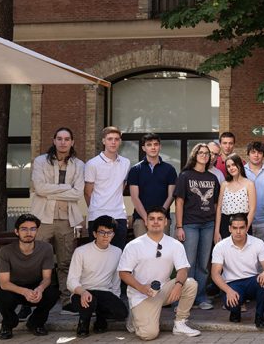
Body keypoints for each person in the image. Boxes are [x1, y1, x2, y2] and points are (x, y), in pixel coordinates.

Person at [118, 206, 201, 340]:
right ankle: (135, 316)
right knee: (148, 335)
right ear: (146, 222)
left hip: (164, 290)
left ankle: (180, 323)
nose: (156, 222)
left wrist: (178, 285)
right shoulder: (134, 245)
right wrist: (142, 288)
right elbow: (123, 273)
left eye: (160, 219)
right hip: (141, 295)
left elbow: (183, 269)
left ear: (165, 222)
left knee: (190, 283)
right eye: (152, 219)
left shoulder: (175, 244)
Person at [29, 126, 85, 313]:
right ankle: (31, 300)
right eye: (59, 138)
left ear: (72, 142)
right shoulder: (40, 161)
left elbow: (77, 193)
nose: (63, 142)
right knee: (35, 260)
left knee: (65, 262)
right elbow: (39, 188)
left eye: (67, 139)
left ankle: (67, 300)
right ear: (54, 141)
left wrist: (50, 191)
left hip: (66, 219)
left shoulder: (79, 165)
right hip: (42, 218)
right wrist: (66, 188)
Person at [0, 214, 60, 340]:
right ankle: (8, 324)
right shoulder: (5, 251)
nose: (28, 233)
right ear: (16, 231)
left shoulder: (46, 248)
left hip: (36, 286)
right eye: (24, 229)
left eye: (33, 229)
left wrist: (40, 289)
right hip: (14, 288)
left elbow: (47, 278)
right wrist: (24, 291)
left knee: (52, 293)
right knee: (2, 296)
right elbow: (4, 283)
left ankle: (36, 322)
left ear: (37, 231)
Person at [174, 143, 220, 310]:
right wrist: (179, 226)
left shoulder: (212, 178)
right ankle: (183, 299)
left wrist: (216, 228)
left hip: (208, 224)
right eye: (201, 152)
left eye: (207, 153)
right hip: (190, 224)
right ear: (194, 155)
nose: (204, 155)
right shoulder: (185, 176)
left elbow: (216, 205)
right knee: (189, 263)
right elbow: (179, 202)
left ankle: (200, 297)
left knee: (203, 264)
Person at [67, 215, 129, 337]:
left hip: (104, 292)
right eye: (102, 232)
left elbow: (116, 279)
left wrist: (115, 298)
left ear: (113, 234)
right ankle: (83, 323)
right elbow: (71, 281)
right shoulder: (81, 251)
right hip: (83, 292)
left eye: (109, 232)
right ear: (95, 234)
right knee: (89, 302)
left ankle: (101, 318)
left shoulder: (117, 252)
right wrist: (82, 292)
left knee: (121, 313)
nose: (106, 236)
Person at [210, 213, 264, 328]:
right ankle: (235, 312)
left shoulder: (258, 243)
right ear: (230, 228)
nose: (238, 231)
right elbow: (215, 274)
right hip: (232, 283)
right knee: (232, 304)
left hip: (251, 281)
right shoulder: (220, 246)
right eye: (235, 228)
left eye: (241, 228)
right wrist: (228, 291)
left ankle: (259, 316)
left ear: (247, 228)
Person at [84, 126, 130, 253]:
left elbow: (122, 186)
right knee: (97, 256)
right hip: (97, 215)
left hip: (119, 215)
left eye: (116, 139)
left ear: (120, 141)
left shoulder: (126, 163)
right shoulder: (92, 164)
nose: (113, 142)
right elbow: (87, 193)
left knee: (118, 254)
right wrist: (95, 208)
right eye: (110, 139)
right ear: (103, 141)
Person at [128, 133, 177, 238]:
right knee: (142, 248)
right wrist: (146, 218)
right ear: (143, 148)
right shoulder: (135, 170)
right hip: (141, 219)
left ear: (160, 146)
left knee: (162, 248)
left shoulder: (170, 169)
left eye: (156, 144)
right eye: (149, 145)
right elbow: (134, 197)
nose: (153, 147)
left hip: (163, 219)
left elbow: (171, 195)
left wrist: (160, 216)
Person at [214, 154, 256, 243]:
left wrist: (245, 229)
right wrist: (217, 231)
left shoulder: (249, 184)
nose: (231, 168)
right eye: (228, 166)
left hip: (243, 223)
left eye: (233, 165)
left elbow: (252, 209)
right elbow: (219, 208)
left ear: (239, 164)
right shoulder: (224, 184)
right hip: (225, 224)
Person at [244, 141, 264, 244]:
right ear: (248, 154)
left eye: (260, 153)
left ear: (263, 155)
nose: (256, 155)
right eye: (253, 152)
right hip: (245, 220)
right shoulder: (241, 172)